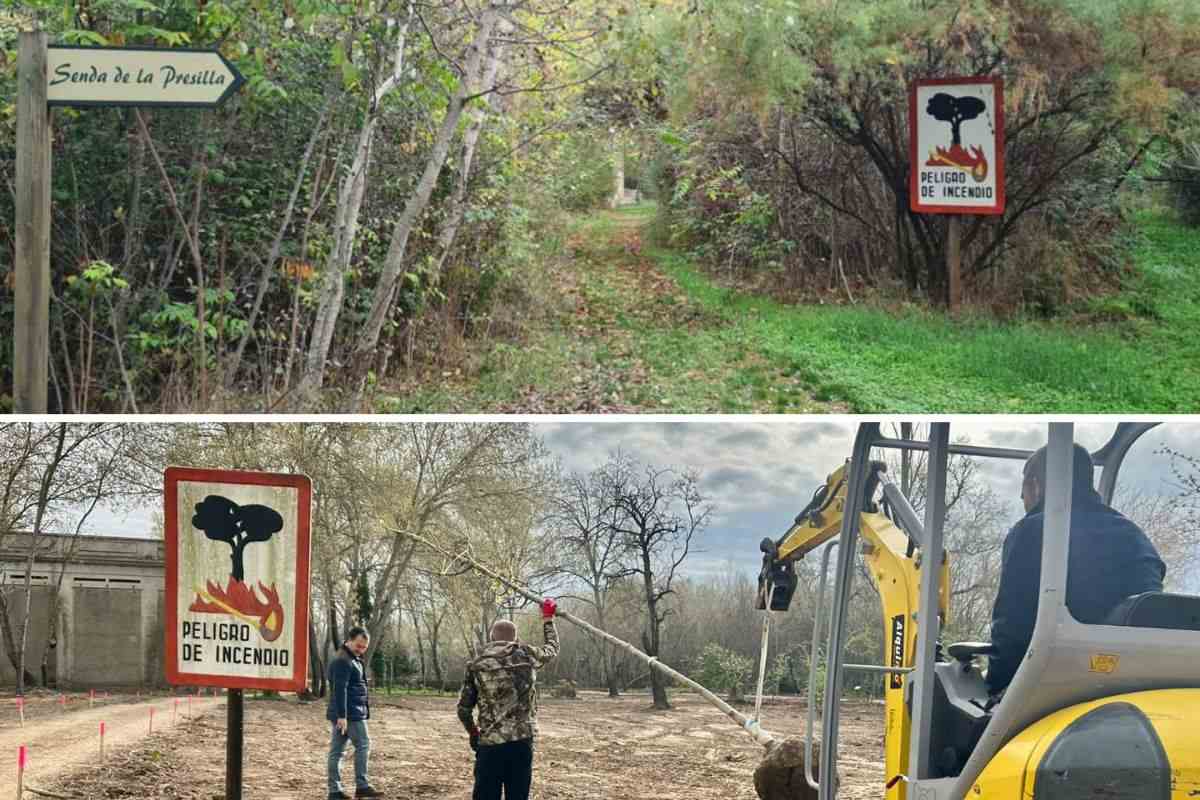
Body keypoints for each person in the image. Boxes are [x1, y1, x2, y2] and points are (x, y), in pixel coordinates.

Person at [986, 443, 1166, 695]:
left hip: (1055, 684)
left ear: (1035, 485)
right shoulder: (1136, 537)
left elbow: (1013, 625)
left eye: (1023, 488)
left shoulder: (1034, 531)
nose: (1021, 498)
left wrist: (995, 686)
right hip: (1135, 682)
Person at [457, 598, 560, 800]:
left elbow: (463, 709)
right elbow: (552, 649)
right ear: (515, 638)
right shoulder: (527, 655)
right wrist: (548, 618)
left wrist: (473, 733)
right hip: (521, 743)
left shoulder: (476, 664)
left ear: (491, 638)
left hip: (489, 745)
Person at [326, 626, 384, 799]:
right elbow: (340, 689)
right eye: (358, 646)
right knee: (363, 745)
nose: (361, 650)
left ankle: (335, 791)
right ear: (349, 640)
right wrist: (342, 716)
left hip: (347, 712)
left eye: (364, 647)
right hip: (350, 713)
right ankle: (362, 786)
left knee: (337, 751)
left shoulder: (351, 658)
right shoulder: (343, 660)